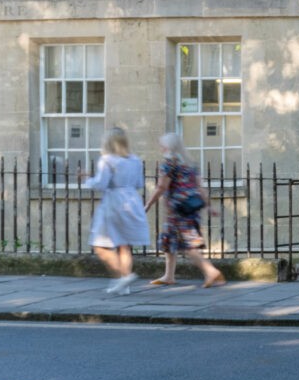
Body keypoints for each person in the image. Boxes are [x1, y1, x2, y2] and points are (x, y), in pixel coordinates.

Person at [145, 133, 224, 288]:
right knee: (169, 240)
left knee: (189, 244)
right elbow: (200, 187)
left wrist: (148, 204)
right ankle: (169, 276)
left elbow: (162, 187)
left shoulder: (169, 163)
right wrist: (208, 206)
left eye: (162, 145)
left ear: (168, 147)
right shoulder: (189, 164)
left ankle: (211, 272)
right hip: (191, 207)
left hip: (178, 209)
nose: (160, 147)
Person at [82, 126, 149, 295]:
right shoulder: (135, 160)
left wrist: (86, 180)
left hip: (114, 202)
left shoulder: (107, 160)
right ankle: (123, 286)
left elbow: (101, 184)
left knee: (99, 245)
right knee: (124, 245)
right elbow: (140, 184)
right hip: (132, 200)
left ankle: (124, 276)